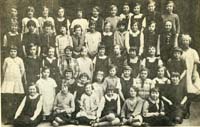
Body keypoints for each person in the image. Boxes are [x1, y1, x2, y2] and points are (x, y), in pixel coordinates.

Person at [1, 46, 25, 124]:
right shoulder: (6, 60)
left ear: (17, 52)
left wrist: (17, 78)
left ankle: (16, 118)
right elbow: (3, 70)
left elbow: (22, 70)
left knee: (16, 100)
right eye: (11, 51)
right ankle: (8, 118)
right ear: (9, 52)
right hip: (8, 82)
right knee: (8, 101)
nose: (13, 53)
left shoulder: (19, 60)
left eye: (14, 51)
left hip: (17, 82)